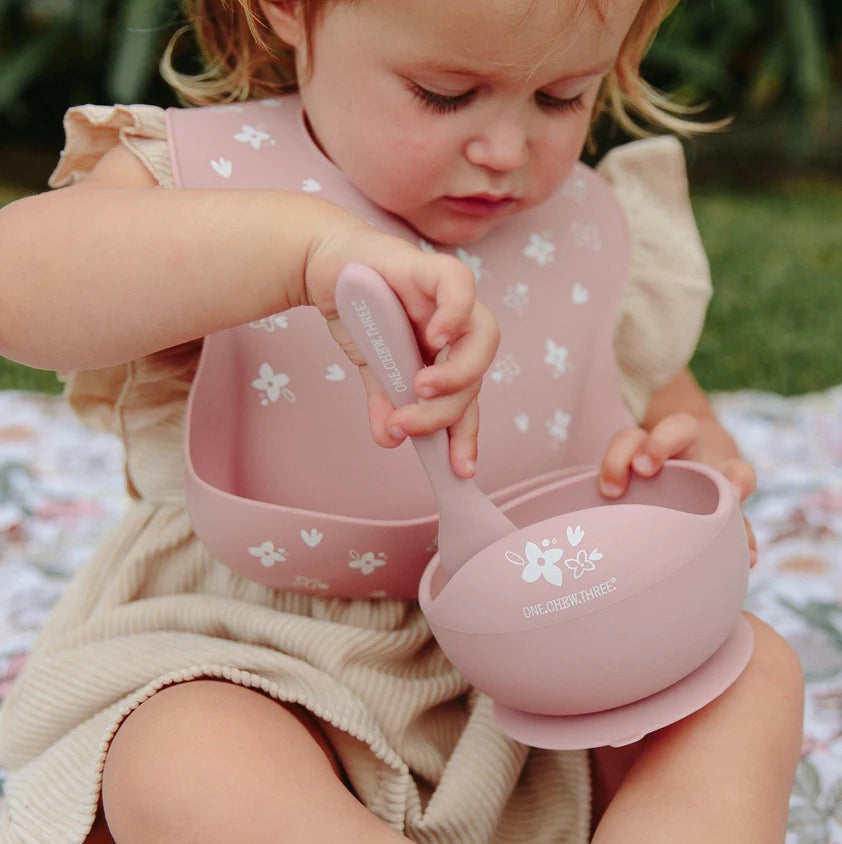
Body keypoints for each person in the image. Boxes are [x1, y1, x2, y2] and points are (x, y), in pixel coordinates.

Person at [0, 0, 804, 841]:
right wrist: (298, 255)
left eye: (561, 98)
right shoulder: (208, 179)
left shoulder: (590, 228)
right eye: (444, 94)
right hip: (258, 655)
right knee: (187, 755)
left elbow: (668, 407)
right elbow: (20, 288)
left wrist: (681, 469)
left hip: (545, 669)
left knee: (753, 679)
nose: (505, 151)